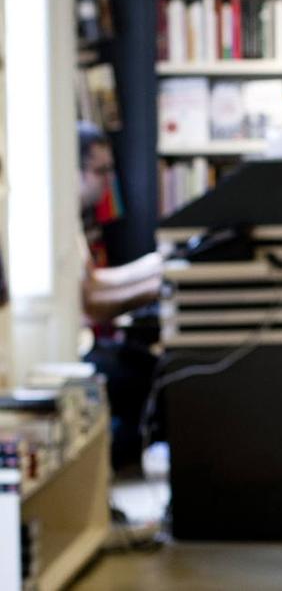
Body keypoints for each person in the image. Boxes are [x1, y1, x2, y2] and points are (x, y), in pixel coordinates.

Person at [78, 122, 164, 471]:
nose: (107, 179)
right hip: (81, 350)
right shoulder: (56, 221)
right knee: (156, 378)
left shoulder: (75, 219)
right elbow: (91, 303)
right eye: (100, 171)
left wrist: (154, 267)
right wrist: (154, 284)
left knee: (156, 367)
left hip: (92, 344)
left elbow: (95, 281)